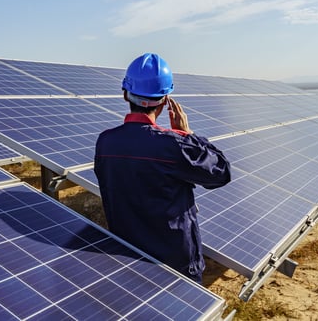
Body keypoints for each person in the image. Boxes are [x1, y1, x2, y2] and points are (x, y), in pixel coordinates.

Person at [94, 53, 231, 283]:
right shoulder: (174, 146)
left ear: (125, 93)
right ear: (166, 100)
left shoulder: (105, 142)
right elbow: (221, 172)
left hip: (128, 257)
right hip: (175, 265)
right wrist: (189, 136)